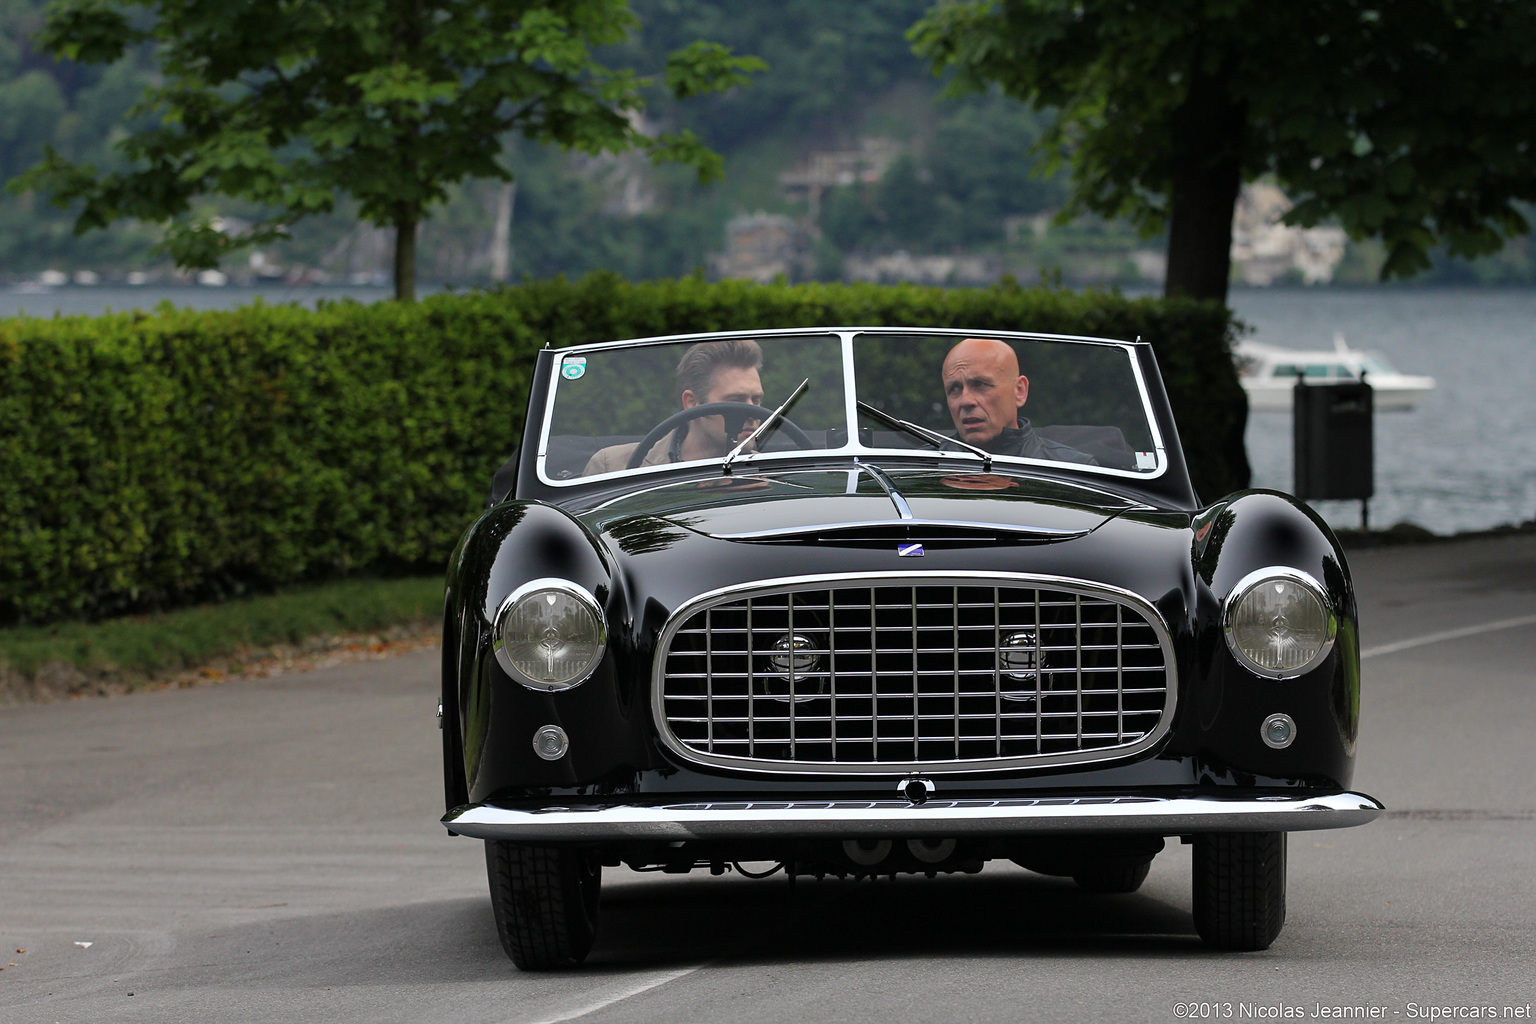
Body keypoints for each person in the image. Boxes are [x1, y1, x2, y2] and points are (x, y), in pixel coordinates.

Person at [583, 338, 766, 475]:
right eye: (735, 401)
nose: (752, 413)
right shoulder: (612, 466)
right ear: (692, 403)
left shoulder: (773, 473)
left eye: (756, 400)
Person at [940, 337, 1097, 465]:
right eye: (954, 389)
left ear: (1019, 391)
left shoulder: (1072, 469)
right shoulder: (923, 465)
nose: (966, 401)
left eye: (980, 384)